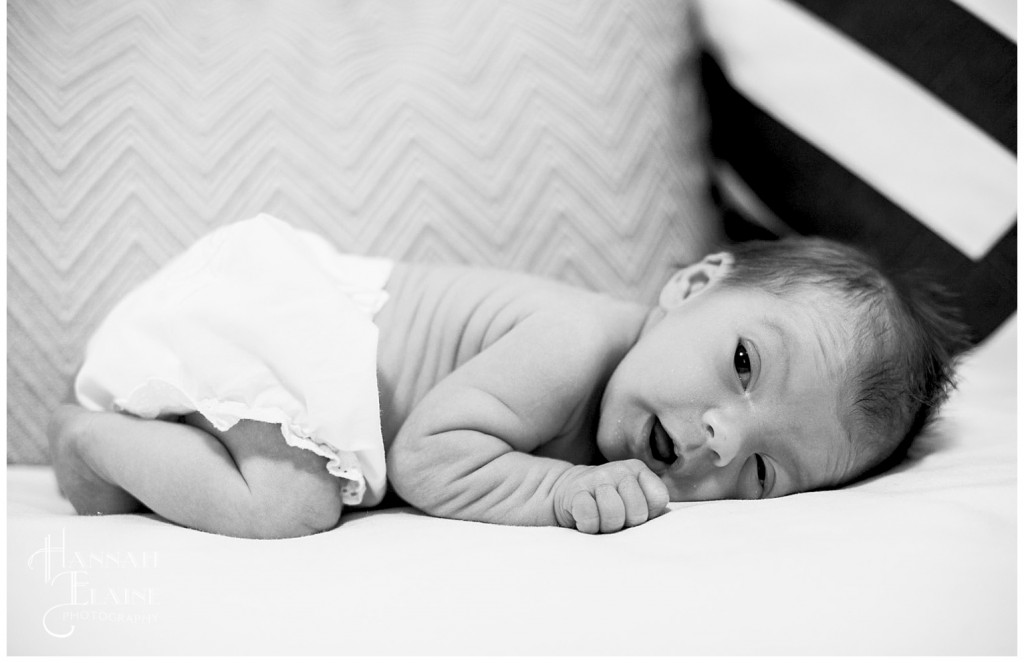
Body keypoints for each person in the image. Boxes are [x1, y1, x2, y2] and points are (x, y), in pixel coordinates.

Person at [47, 214, 969, 538]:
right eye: (742, 364)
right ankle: (87, 437)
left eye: (765, 470)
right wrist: (564, 488)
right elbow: (429, 457)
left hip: (288, 378)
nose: (725, 436)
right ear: (691, 287)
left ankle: (153, 455)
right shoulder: (571, 339)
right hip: (271, 324)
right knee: (289, 506)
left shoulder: (633, 400)